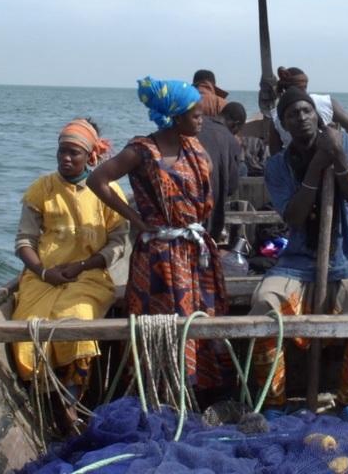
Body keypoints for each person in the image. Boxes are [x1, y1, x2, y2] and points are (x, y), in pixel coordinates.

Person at [89, 77, 230, 397]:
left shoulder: (194, 148)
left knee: (196, 317)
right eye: (195, 115)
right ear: (174, 116)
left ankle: (193, 391)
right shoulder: (142, 150)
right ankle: (159, 392)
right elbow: (98, 179)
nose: (201, 119)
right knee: (161, 324)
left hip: (193, 250)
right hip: (158, 255)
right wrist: (136, 219)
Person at [250, 88, 348, 425]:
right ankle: (275, 400)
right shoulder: (278, 166)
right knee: (265, 304)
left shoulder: (344, 145)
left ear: (318, 115)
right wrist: (315, 168)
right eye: (293, 114)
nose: (302, 118)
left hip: (344, 256)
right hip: (296, 260)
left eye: (307, 111)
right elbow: (293, 217)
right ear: (284, 124)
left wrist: (337, 156)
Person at [12, 118, 130, 433]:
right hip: (42, 278)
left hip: (88, 277)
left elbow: (119, 243)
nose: (66, 158)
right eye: (62, 152)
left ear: (89, 157)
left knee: (77, 321)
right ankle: (50, 396)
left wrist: (82, 265)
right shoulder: (41, 189)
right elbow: (24, 241)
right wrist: (43, 270)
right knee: (29, 332)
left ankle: (71, 400)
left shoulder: (107, 190)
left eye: (74, 153)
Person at [261, 66, 348, 153]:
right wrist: (341, 145)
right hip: (330, 160)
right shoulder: (326, 102)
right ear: (305, 85)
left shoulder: (276, 115)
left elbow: (275, 153)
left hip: (296, 168)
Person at [198, 98, 241, 243]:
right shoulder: (231, 140)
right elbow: (232, 187)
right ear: (235, 125)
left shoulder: (195, 124)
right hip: (208, 214)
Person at [221, 101, 268, 177]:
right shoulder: (230, 138)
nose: (237, 133)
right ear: (236, 124)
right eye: (239, 129)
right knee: (243, 168)